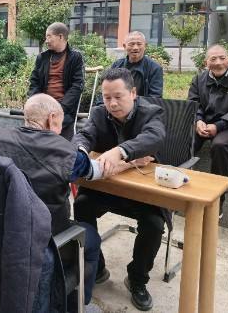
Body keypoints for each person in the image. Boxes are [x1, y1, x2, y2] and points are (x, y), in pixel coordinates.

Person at [0, 93, 134, 310]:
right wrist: (131, 163)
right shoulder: (64, 151)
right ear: (52, 118)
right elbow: (101, 170)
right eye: (60, 123)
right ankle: (76, 304)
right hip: (47, 235)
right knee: (91, 239)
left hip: (3, 230)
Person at [73, 68, 166, 312]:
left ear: (133, 93)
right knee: (81, 204)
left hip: (141, 190)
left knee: (154, 223)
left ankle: (137, 279)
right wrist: (80, 152)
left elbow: (155, 136)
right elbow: (84, 135)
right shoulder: (99, 113)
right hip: (108, 187)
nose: (112, 103)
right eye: (107, 97)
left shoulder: (151, 112)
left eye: (118, 96)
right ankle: (96, 265)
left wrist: (121, 151)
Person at [188, 44, 228, 215]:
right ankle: (179, 188)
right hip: (205, 123)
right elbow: (193, 104)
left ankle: (217, 200)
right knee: (184, 139)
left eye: (222, 58)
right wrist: (198, 121)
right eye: (213, 59)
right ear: (206, 62)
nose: (218, 62)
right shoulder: (199, 79)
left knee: (220, 145)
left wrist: (218, 126)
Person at [28, 22, 85, 140]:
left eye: (49, 36)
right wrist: (36, 102)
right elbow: (34, 82)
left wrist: (60, 107)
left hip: (65, 109)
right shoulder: (42, 58)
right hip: (43, 106)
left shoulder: (75, 57)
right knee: (34, 129)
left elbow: (77, 86)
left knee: (56, 130)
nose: (46, 40)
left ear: (60, 36)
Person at [111, 31, 163, 98]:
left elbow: (155, 97)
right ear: (124, 46)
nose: (135, 48)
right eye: (131, 44)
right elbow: (108, 90)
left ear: (145, 46)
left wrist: (133, 101)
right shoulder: (117, 65)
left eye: (139, 44)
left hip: (143, 104)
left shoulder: (155, 68)